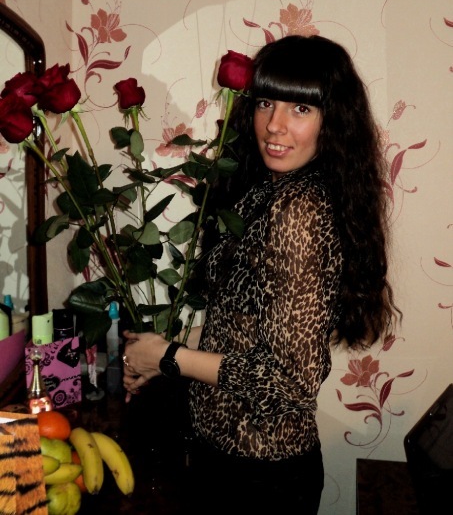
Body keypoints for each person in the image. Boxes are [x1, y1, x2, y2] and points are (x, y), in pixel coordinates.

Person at [122, 35, 401, 514]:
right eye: (266, 102)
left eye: (301, 109)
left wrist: (168, 358)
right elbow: (246, 324)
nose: (274, 124)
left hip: (257, 475)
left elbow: (290, 382)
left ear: (333, 121)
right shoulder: (268, 189)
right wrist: (161, 348)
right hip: (223, 456)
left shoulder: (299, 212)